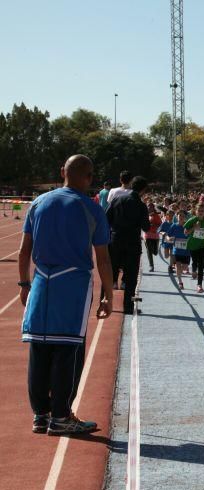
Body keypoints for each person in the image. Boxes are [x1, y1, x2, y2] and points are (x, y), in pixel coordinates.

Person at [19, 154, 113, 435]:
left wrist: (24, 284)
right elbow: (103, 259)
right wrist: (109, 294)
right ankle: (61, 416)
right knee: (68, 350)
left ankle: (40, 413)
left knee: (39, 348)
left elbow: (25, 251)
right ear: (89, 177)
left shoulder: (38, 203)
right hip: (72, 284)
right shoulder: (92, 209)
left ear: (62, 172)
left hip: (41, 283)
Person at [106, 176, 150, 314]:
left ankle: (106, 302)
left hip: (115, 240)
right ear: (143, 190)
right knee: (131, 276)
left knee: (109, 272)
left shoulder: (117, 199)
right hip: (132, 243)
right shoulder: (141, 206)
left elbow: (106, 218)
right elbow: (146, 227)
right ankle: (128, 307)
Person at [184, 203, 204, 293]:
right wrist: (194, 227)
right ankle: (193, 270)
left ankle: (199, 285)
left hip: (202, 246)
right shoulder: (192, 220)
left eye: (202, 211)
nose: (201, 212)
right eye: (199, 211)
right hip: (193, 245)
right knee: (195, 261)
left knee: (201, 265)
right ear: (196, 211)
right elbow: (185, 232)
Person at [144, 203, 162, 273]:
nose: (149, 208)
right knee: (149, 250)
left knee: (155, 252)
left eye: (151, 207)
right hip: (147, 235)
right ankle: (151, 265)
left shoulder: (156, 216)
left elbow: (160, 224)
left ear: (153, 208)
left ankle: (154, 251)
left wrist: (154, 225)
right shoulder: (145, 215)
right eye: (148, 207)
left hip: (155, 235)